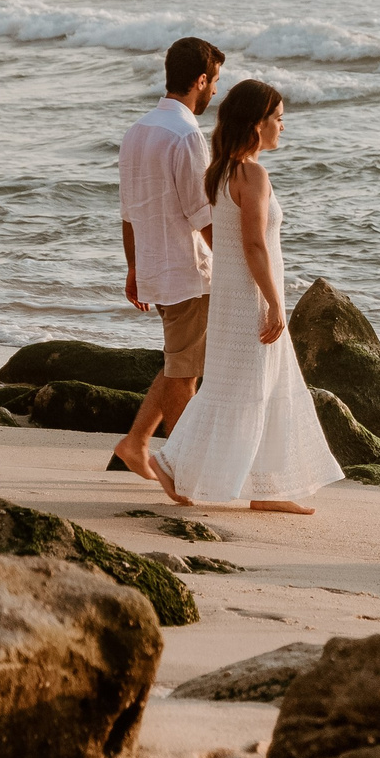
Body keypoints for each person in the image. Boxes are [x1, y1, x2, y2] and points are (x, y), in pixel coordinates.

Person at [150, 78, 341, 512]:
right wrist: (274, 302)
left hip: (234, 294)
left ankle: (268, 489)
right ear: (257, 124)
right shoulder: (252, 173)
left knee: (256, 387)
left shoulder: (222, 171)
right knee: (247, 389)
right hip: (250, 298)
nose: (282, 127)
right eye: (278, 118)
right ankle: (170, 462)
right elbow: (253, 244)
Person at [110, 36, 225, 480]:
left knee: (178, 361)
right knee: (184, 374)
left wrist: (134, 267)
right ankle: (182, 467)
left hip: (158, 267)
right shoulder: (187, 135)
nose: (215, 91)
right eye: (215, 82)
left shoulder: (137, 131)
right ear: (201, 80)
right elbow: (202, 215)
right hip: (186, 271)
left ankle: (136, 443)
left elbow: (129, 210)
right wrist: (235, 265)